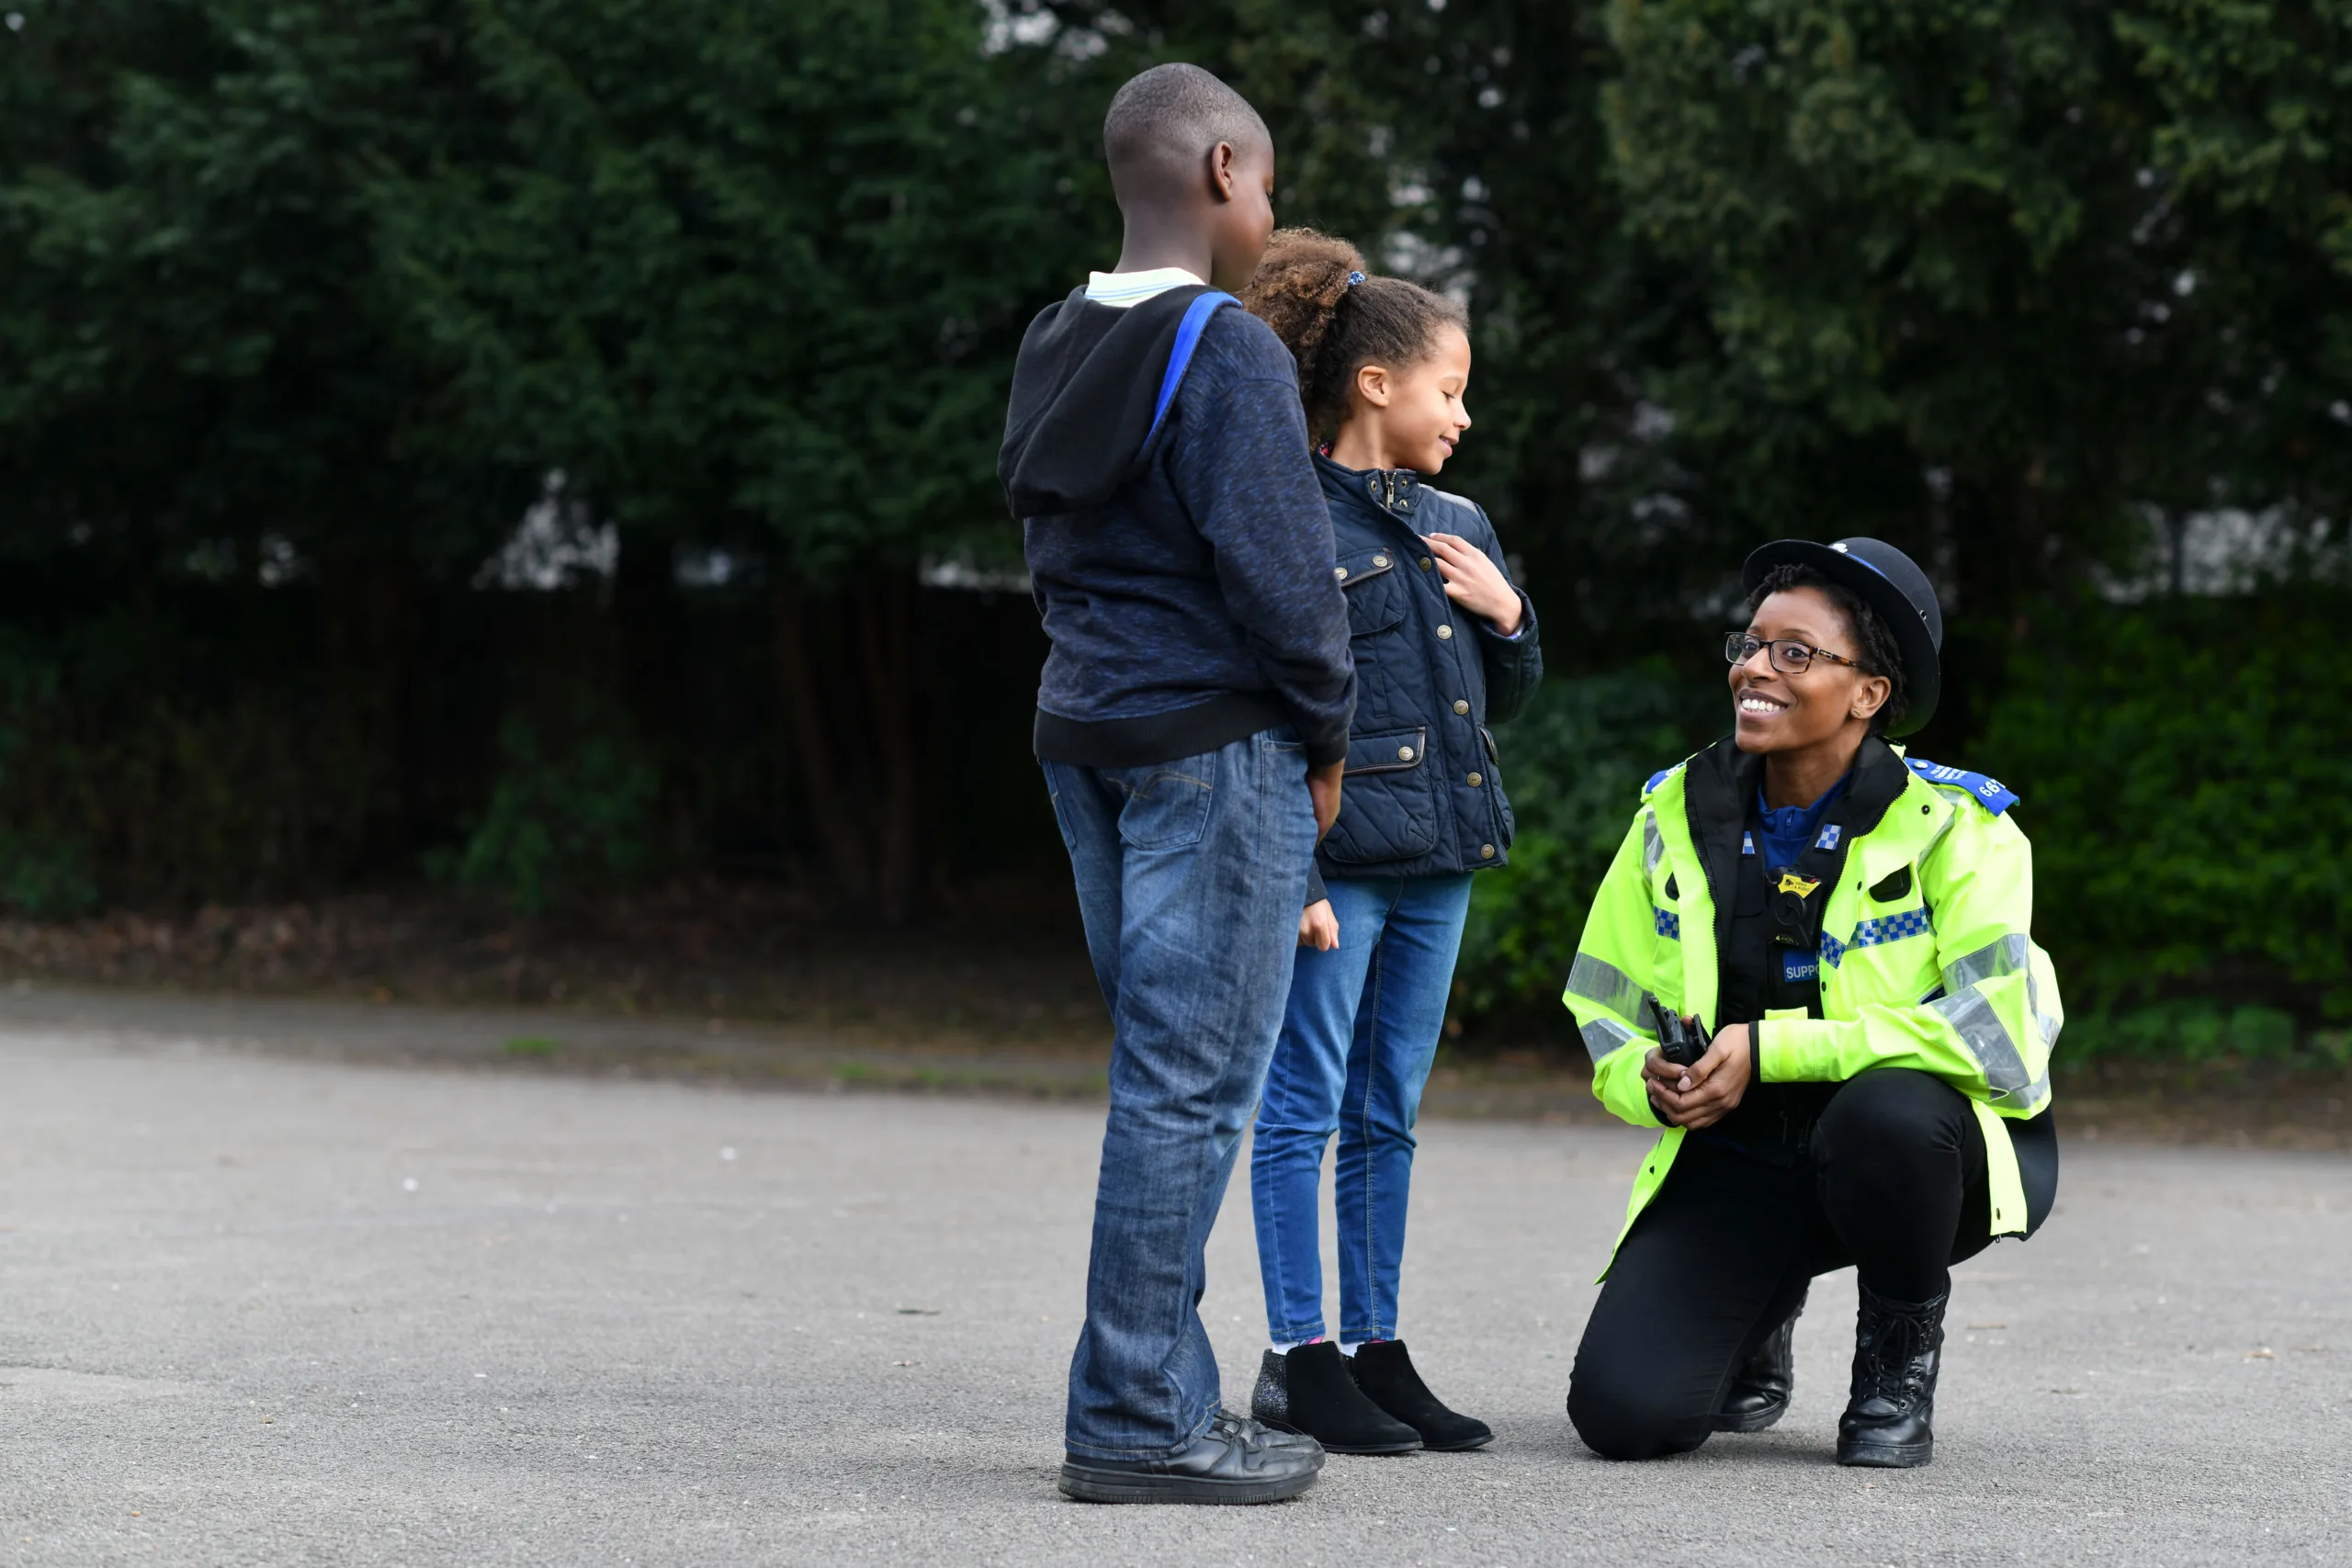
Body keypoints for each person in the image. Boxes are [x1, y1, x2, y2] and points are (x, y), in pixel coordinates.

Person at [998, 65, 1356, 1505]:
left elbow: (1048, 555)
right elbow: (1284, 579)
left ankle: (1158, 1393)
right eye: (1264, 184)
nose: (1267, 211)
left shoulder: (1055, 337)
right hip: (1214, 745)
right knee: (1191, 1087)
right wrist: (1324, 739)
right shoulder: (1229, 350)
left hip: (1083, 734)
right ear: (1221, 169)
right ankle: (1140, 1418)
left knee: (1163, 1079)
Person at [1560, 537, 2061, 1469]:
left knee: (1890, 1116)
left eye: (1796, 652)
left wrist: (1774, 1050)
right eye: (1750, 644)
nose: (1755, 667)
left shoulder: (1961, 829)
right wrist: (1651, 1078)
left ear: (1870, 693)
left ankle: (1894, 1368)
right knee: (1624, 1418)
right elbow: (1604, 1006)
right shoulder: (1673, 814)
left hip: (1909, 1162)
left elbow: (2003, 1039)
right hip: (1739, 1157)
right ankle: (1761, 1307)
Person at [1233, 231, 1542, 1456]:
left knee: (1389, 1110)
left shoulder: (1460, 521)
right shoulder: (1289, 514)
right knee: (1302, 1104)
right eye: (1449, 389)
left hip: (1442, 861)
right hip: (1341, 861)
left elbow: (1499, 696)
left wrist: (1508, 614)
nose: (1461, 416)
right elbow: (1264, 710)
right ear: (1376, 383)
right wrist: (1296, 871)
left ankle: (1377, 1345)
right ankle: (1299, 1355)